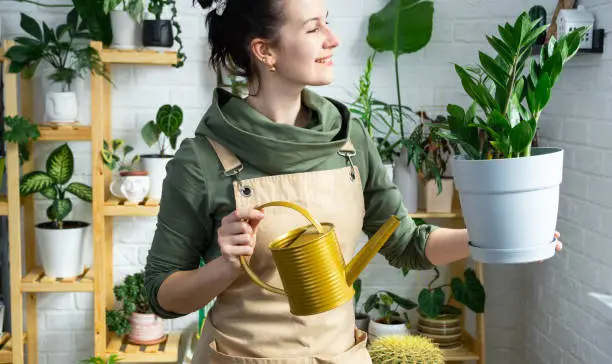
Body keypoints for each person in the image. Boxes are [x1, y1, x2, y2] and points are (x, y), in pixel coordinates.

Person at [143, 0, 563, 362]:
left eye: (327, 21)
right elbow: (161, 295)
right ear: (265, 50)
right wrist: (224, 267)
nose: (332, 39)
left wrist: (500, 239)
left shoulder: (349, 139)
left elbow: (404, 242)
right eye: (313, 27)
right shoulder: (202, 159)